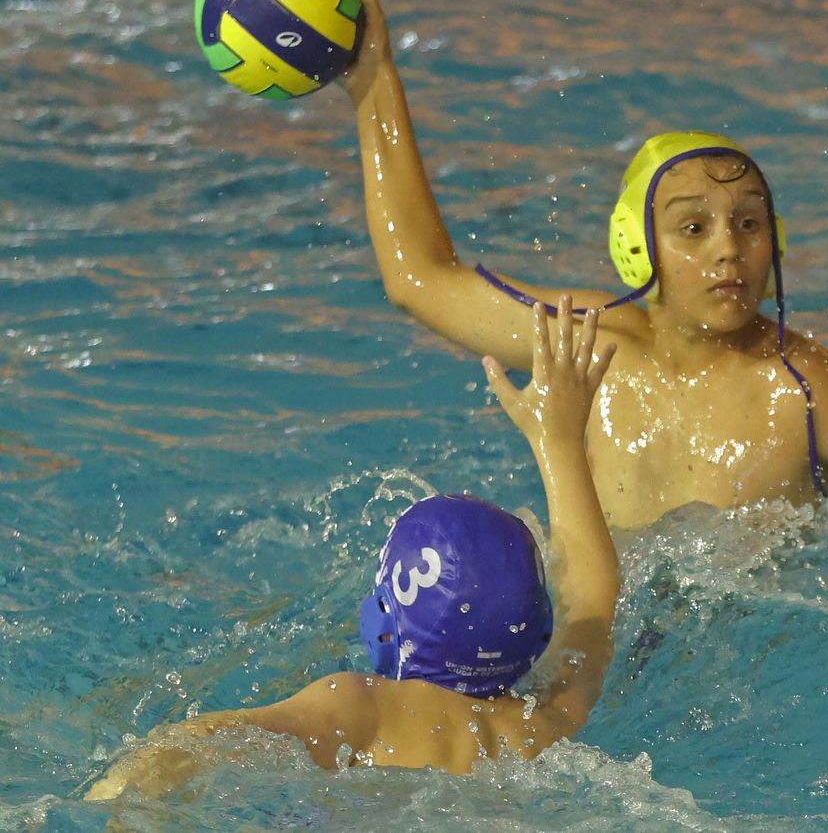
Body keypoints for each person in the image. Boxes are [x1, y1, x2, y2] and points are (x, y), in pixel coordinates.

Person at [340, 0, 828, 550]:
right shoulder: (593, 343)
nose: (730, 247)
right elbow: (419, 279)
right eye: (694, 227)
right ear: (638, 247)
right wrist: (373, 81)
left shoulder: (805, 393)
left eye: (750, 223)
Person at [86, 301, 620, 799]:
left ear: (388, 626)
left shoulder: (362, 706)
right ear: (537, 629)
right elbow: (594, 599)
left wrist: (120, 794)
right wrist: (561, 440)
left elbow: (196, 745)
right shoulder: (542, 724)